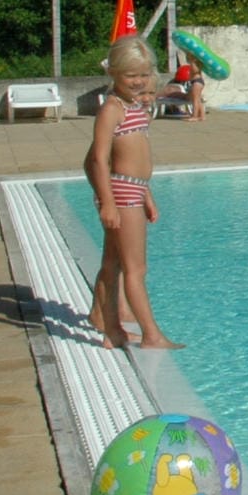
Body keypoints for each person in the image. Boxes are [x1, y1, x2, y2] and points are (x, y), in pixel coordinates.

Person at [85, 35, 184, 350]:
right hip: (123, 193)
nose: (139, 82)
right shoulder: (112, 109)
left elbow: (137, 158)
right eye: (131, 76)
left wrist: (147, 193)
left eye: (144, 75)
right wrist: (108, 202)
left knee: (114, 263)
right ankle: (152, 335)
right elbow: (98, 159)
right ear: (113, 72)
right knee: (136, 269)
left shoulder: (134, 106)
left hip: (133, 191)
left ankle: (107, 324)